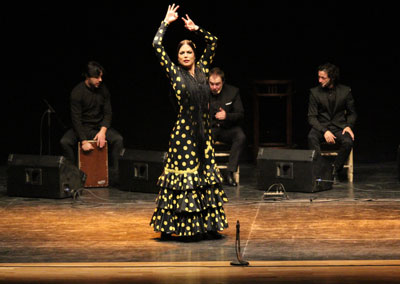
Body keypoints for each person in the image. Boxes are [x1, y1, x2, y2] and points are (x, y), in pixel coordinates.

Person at [150, 4, 228, 241]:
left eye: (188, 52)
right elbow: (156, 45)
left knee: (205, 178)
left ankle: (208, 225)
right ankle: (176, 226)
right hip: (184, 134)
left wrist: (196, 29)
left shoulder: (203, 69)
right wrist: (166, 22)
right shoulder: (175, 73)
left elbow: (213, 41)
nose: (184, 56)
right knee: (184, 179)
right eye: (181, 53)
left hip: (203, 133)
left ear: (194, 55)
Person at [60, 61, 124, 185]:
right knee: (65, 142)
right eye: (97, 77)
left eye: (101, 77)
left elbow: (108, 113)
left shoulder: (103, 90)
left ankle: (116, 177)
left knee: (118, 139)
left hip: (98, 127)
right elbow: (76, 119)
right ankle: (73, 177)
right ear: (87, 77)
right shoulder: (77, 92)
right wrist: (83, 141)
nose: (100, 80)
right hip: (82, 128)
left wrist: (102, 131)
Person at [307, 62, 357, 181]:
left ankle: (334, 169)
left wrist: (349, 126)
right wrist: (325, 131)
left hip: (339, 126)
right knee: (311, 137)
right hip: (321, 126)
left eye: (323, 78)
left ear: (332, 78)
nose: (319, 80)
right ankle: (319, 170)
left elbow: (352, 113)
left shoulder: (345, 91)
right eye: (318, 77)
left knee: (348, 141)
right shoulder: (314, 92)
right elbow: (311, 117)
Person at [209, 67, 246, 187]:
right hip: (210, 128)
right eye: (211, 84)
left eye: (217, 84)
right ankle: (208, 173)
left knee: (240, 136)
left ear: (223, 82)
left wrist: (226, 116)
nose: (214, 87)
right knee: (202, 137)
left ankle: (230, 172)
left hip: (226, 129)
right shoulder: (203, 92)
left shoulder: (232, 92)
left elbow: (240, 114)